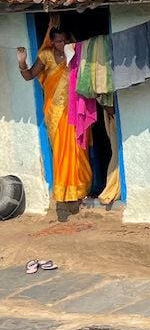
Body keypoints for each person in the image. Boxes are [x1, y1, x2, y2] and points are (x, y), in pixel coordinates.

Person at [16, 22, 93, 206]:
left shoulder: (75, 55)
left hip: (76, 113)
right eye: (58, 41)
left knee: (78, 148)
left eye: (65, 40)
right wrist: (21, 62)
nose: (62, 44)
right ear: (52, 42)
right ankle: (64, 192)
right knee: (61, 151)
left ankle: (81, 190)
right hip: (56, 113)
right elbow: (29, 76)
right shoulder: (46, 56)